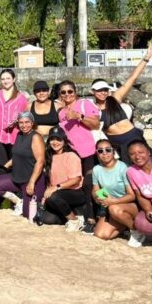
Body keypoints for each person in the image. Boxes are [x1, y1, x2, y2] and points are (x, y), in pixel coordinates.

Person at [90, 47, 152, 164]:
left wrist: (146, 59)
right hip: (117, 142)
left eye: (105, 89)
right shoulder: (92, 109)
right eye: (99, 90)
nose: (103, 92)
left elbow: (132, 78)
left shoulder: (115, 98)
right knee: (129, 169)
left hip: (133, 136)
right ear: (92, 91)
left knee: (147, 162)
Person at [57, 79, 101, 229]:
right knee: (80, 185)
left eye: (70, 91)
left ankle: (92, 218)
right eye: (63, 92)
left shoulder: (84, 104)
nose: (67, 94)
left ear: (75, 92)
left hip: (91, 151)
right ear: (59, 95)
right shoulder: (61, 113)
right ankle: (86, 214)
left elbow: (96, 124)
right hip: (74, 154)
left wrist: (79, 117)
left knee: (91, 185)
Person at [0, 112, 45, 218]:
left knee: (29, 215)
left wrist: (32, 182)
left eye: (27, 122)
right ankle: (19, 201)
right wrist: (6, 166)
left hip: (32, 180)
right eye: (21, 122)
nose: (24, 125)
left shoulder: (35, 137)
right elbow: (18, 155)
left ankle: (36, 201)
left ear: (32, 123)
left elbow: (40, 161)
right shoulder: (19, 135)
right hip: (17, 177)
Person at [91, 139, 141, 245]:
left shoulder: (123, 168)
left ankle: (137, 231)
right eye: (100, 151)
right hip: (112, 206)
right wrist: (100, 198)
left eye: (108, 150)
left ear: (114, 151)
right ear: (97, 153)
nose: (104, 153)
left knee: (114, 209)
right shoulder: (96, 169)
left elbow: (132, 195)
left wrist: (112, 201)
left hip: (130, 205)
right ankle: (125, 225)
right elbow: (96, 190)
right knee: (101, 234)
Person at [36, 127, 86, 231]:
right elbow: (50, 181)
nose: (55, 142)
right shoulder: (49, 157)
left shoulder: (71, 155)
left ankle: (75, 221)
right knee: (47, 219)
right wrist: (45, 196)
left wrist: (56, 187)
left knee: (53, 197)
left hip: (75, 192)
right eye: (52, 139)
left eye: (58, 139)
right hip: (58, 192)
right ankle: (74, 214)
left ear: (64, 141)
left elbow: (76, 179)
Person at [0, 69, 27, 155]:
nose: (5, 81)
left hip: (15, 136)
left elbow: (25, 116)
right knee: (0, 163)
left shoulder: (21, 97)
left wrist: (16, 121)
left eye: (8, 78)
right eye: (3, 79)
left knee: (14, 162)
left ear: (13, 79)